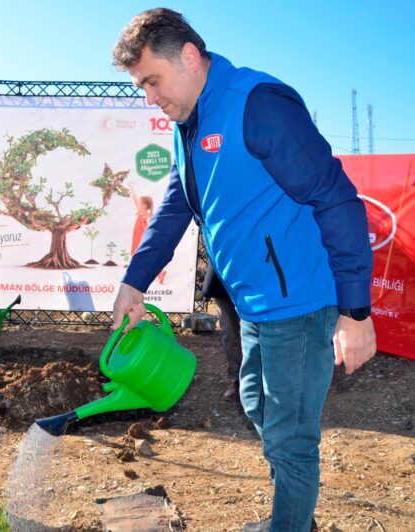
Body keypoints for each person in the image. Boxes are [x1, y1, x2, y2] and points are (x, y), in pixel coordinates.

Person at [110, 9, 376, 532]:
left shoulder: (257, 104)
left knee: (290, 437)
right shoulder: (189, 123)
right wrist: (133, 280)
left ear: (188, 56)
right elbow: (175, 208)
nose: (149, 97)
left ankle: (289, 525)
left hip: (299, 303)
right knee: (255, 401)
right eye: (140, 86)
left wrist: (356, 312)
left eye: (151, 81)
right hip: (252, 301)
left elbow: (338, 199)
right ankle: (292, 515)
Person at [202, 263, 242, 402]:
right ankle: (237, 380)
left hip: (261, 270)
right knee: (229, 331)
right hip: (224, 273)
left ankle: (260, 381)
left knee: (261, 330)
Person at [128, 182, 153, 254]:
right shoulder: (140, 213)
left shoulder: (147, 216)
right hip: (137, 239)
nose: (137, 203)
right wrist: (132, 189)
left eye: (139, 202)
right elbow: (134, 199)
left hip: (142, 240)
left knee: (141, 254)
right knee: (136, 254)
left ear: (144, 206)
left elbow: (150, 228)